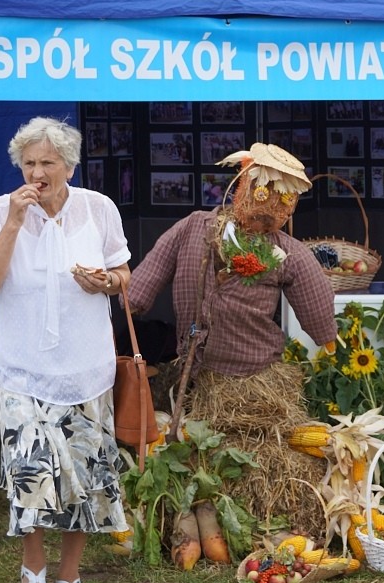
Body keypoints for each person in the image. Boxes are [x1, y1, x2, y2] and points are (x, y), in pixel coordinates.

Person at [0, 117, 132, 583]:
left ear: (69, 165)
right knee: (30, 474)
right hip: (23, 369)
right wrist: (17, 223)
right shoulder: (0, 212)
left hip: (86, 368)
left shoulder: (98, 209)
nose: (36, 172)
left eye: (47, 163)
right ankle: (33, 570)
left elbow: (124, 272)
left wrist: (106, 281)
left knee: (84, 478)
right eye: (29, 163)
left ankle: (71, 577)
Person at [126, 143, 337, 526]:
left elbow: (314, 293)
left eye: (280, 207)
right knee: (190, 445)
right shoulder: (194, 228)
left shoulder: (285, 253)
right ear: (242, 188)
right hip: (198, 370)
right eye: (262, 197)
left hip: (257, 376)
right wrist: (132, 300)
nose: (265, 218)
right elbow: (152, 269)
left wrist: (326, 334)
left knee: (260, 449)